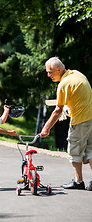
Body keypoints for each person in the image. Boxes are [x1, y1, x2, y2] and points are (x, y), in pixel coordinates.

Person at [40, 57, 92, 191]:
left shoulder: (64, 83)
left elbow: (58, 110)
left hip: (80, 121)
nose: (48, 75)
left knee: (74, 150)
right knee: (90, 150)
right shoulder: (77, 74)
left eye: (50, 72)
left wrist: (46, 128)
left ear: (59, 70)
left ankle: (78, 182)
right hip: (90, 118)